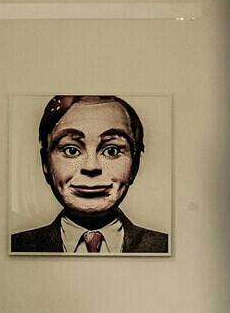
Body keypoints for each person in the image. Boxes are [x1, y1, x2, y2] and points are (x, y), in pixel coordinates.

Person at [11, 95, 169, 254]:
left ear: (135, 165)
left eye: (111, 151)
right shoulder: (17, 246)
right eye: (71, 150)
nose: (91, 167)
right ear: (45, 163)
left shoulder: (164, 247)